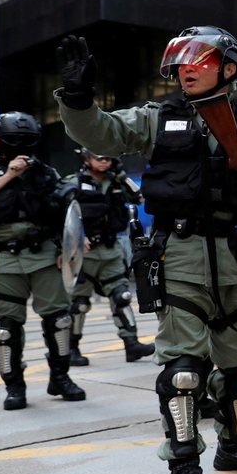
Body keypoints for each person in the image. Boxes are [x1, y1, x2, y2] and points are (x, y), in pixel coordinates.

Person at [55, 26, 237, 474]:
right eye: (180, 62)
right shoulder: (155, 118)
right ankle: (184, 467)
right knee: (183, 373)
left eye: (200, 61)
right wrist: (78, 98)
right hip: (180, 255)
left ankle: (235, 446)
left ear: (228, 68)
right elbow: (100, 132)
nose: (186, 69)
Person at [0, 111, 86, 410]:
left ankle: (60, 378)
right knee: (6, 328)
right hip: (4, 258)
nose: (21, 149)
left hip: (44, 254)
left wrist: (72, 244)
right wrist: (10, 175)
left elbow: (66, 209)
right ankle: (14, 387)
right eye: (14, 142)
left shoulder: (45, 172)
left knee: (60, 319)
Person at [65, 148, 155, 365]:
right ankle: (71, 349)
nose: (104, 162)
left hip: (110, 249)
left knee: (121, 296)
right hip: (83, 251)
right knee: (79, 304)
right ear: (87, 159)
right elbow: (62, 211)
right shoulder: (73, 182)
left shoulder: (115, 182)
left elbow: (139, 198)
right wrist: (75, 237)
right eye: (99, 157)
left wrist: (122, 178)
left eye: (108, 158)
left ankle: (131, 344)